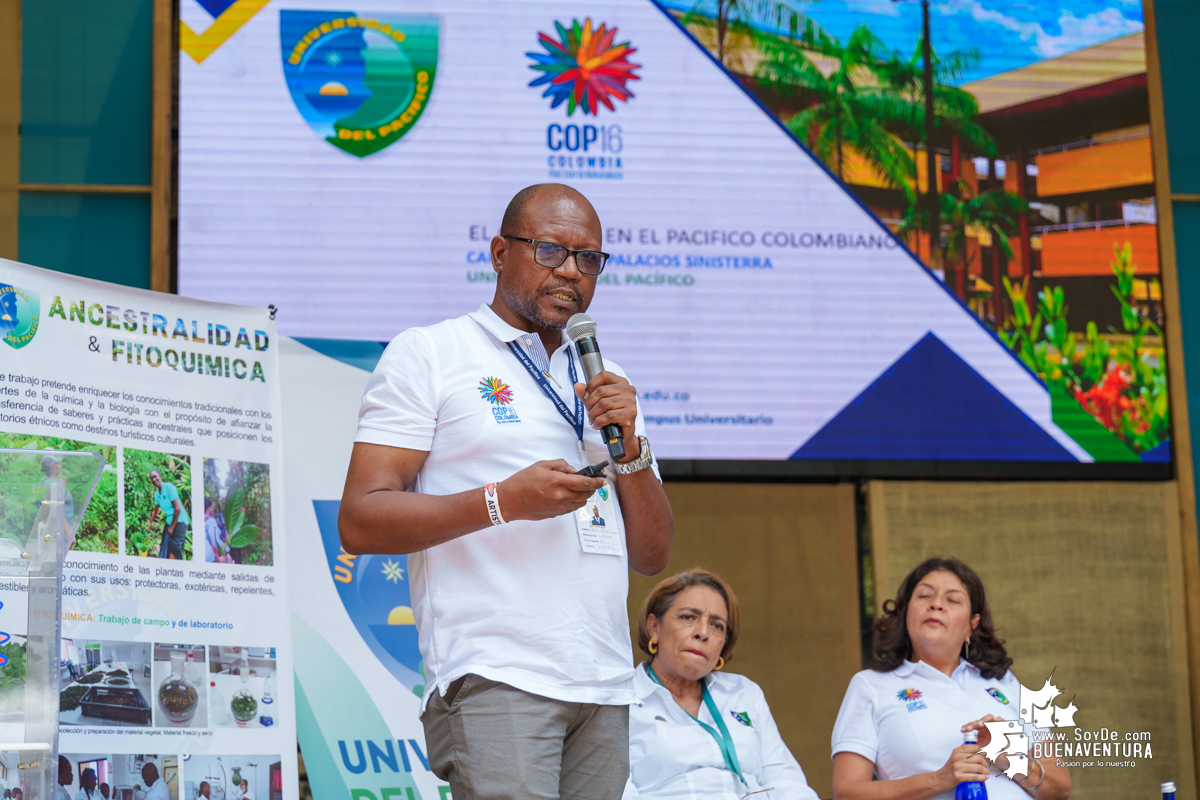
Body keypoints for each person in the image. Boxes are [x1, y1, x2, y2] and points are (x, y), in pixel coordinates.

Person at [340, 183, 674, 800]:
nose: (571, 272)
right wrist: (503, 502)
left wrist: (631, 448)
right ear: (499, 252)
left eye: (589, 259)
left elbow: (652, 556)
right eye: (550, 251)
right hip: (495, 673)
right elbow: (361, 519)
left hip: (603, 684)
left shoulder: (608, 378)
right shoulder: (432, 353)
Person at [832, 557, 1072, 800]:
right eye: (925, 596)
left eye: (953, 600)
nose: (936, 604)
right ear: (906, 613)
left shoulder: (1005, 681)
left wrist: (1005, 755)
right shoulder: (871, 685)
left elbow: (1060, 789)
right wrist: (939, 779)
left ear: (971, 625)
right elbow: (846, 793)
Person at [624, 569, 821, 799]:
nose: (703, 633)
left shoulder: (744, 692)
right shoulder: (622, 700)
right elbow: (617, 792)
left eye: (717, 625)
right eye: (688, 617)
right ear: (654, 628)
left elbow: (785, 780)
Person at [146, 468, 189, 559]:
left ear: (160, 476)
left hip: (180, 521)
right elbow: (155, 511)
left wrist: (172, 527)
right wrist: (150, 522)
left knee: (174, 550)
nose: (154, 479)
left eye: (155, 476)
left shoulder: (169, 488)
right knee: (165, 547)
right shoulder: (157, 494)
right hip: (170, 520)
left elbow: (178, 509)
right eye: (151, 478)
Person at [40, 455, 75, 548]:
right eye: (57, 463)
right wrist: (68, 533)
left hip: (62, 530)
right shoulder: (51, 483)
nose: (59, 465)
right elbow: (56, 508)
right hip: (60, 532)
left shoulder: (53, 482)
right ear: (52, 466)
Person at [204, 498, 233, 563]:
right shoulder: (210, 520)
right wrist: (226, 550)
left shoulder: (202, 519)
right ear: (208, 508)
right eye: (212, 506)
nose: (213, 507)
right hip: (210, 555)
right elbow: (215, 540)